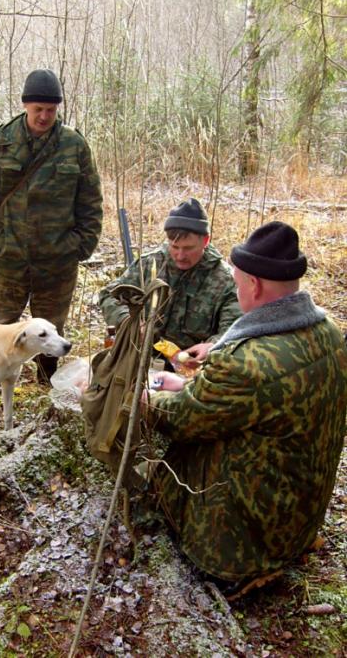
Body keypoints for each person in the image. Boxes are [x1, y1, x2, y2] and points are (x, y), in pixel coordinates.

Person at [144, 221, 347, 597]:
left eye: (238, 284)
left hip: (246, 545)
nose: (237, 292)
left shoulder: (244, 362)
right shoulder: (330, 332)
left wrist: (144, 398)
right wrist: (191, 383)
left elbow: (182, 420)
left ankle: (234, 571)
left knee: (167, 466)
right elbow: (264, 398)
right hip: (300, 515)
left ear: (253, 284)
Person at [0, 69, 103, 383]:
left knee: (52, 326)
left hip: (57, 259)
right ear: (25, 105)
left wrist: (81, 245)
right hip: (6, 259)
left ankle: (48, 384)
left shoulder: (74, 145)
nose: (44, 116)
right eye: (38, 109)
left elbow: (91, 200)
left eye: (51, 110)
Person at [99, 198, 241, 362]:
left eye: (188, 248)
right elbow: (108, 295)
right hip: (138, 360)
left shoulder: (225, 280)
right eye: (174, 247)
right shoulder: (150, 265)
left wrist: (213, 345)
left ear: (205, 241)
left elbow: (235, 328)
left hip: (190, 368)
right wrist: (127, 321)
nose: (180, 256)